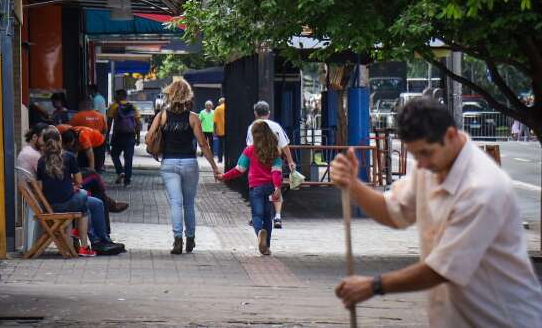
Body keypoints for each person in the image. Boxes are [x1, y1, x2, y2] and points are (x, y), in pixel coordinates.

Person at [331, 98, 542, 327]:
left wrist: (373, 285)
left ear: (451, 136)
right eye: (415, 155)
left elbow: (441, 270)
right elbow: (393, 212)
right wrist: (353, 184)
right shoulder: (431, 167)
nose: (420, 164)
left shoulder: (482, 189)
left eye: (425, 153)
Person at [146, 79, 221, 254]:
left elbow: (149, 137)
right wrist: (214, 167)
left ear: (170, 95)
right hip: (189, 163)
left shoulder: (162, 115)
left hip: (169, 163)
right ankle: (191, 239)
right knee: (188, 203)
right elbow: (203, 144)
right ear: (187, 96)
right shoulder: (193, 117)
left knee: (175, 202)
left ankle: (177, 239)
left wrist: (157, 146)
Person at [217, 121, 282, 255]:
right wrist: (277, 187)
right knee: (267, 216)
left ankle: (259, 234)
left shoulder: (250, 150)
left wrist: (224, 176)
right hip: (270, 187)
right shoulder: (274, 150)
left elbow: (239, 169)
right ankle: (267, 246)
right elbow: (277, 171)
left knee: (257, 215)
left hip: (255, 188)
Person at [35, 127, 96, 257]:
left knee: (82, 201)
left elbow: (40, 188)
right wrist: (71, 186)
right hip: (67, 203)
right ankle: (83, 245)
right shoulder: (69, 157)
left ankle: (75, 237)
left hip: (50, 206)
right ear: (60, 140)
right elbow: (79, 181)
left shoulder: (40, 161)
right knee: (84, 196)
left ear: (45, 143)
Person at [61, 130, 129, 237]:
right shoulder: (53, 157)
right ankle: (105, 233)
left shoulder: (44, 158)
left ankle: (109, 206)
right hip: (63, 199)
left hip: (61, 194)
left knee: (96, 191)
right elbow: (77, 180)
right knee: (95, 188)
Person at [246, 101, 296, 229]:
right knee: (276, 187)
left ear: (255, 113)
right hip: (275, 161)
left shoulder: (253, 127)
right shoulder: (276, 126)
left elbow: (250, 147)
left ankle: (257, 216)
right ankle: (277, 216)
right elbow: (285, 146)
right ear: (268, 113)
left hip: (258, 164)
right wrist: (290, 161)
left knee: (257, 188)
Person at [107, 89, 142, 187]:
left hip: (118, 135)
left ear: (118, 96)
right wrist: (138, 137)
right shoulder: (133, 107)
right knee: (128, 158)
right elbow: (138, 123)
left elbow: (109, 123)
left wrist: (106, 136)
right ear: (126, 96)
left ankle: (120, 171)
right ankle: (127, 181)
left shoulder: (114, 106)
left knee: (114, 154)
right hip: (130, 135)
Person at [213, 97, 225, 163]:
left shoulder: (218, 108)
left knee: (220, 145)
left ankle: (220, 159)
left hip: (220, 130)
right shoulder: (228, 107)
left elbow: (215, 121)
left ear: (220, 102)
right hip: (228, 131)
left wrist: (214, 131)